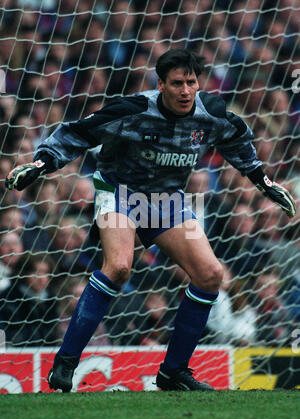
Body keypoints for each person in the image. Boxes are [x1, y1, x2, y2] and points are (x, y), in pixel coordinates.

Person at [5, 49, 296, 392]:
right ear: (161, 85)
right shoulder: (132, 110)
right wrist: (41, 165)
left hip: (166, 199)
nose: (185, 90)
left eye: (191, 82)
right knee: (119, 267)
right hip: (118, 191)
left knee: (210, 275)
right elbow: (76, 133)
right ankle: (65, 363)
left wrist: (263, 181)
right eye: (177, 84)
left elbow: (237, 141)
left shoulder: (211, 113)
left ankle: (173, 372)